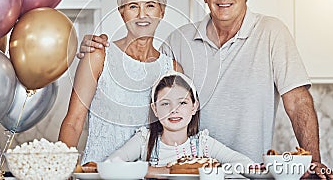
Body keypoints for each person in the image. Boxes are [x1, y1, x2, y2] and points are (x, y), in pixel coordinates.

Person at [78, 0, 333, 179]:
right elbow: (146, 77)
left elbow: (298, 102)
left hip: (246, 175)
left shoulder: (272, 32)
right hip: (192, 176)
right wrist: (101, 47)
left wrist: (312, 161)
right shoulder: (178, 41)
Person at [58, 0, 182, 164]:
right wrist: (60, 170)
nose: (142, 15)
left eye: (150, 6)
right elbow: (74, 121)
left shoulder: (171, 68)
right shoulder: (98, 56)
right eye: (133, 7)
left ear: (162, 12)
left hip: (150, 173)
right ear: (122, 13)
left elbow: (177, 131)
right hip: (99, 172)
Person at [107, 71, 254, 176]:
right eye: (165, 104)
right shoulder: (144, 141)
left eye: (182, 103)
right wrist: (155, 171)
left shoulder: (204, 144)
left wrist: (208, 170)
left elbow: (245, 164)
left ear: (194, 107)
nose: (173, 110)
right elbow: (111, 163)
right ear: (155, 109)